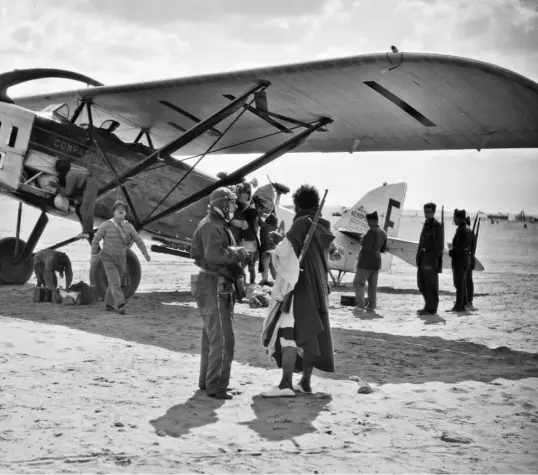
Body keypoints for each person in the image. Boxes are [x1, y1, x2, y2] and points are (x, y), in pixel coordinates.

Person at [261, 184, 337, 397]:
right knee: (311, 334)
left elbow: (286, 254)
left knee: (288, 333)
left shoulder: (302, 223)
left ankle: (286, 384)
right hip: (319, 289)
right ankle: (305, 382)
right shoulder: (324, 226)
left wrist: (278, 242)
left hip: (300, 288)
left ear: (298, 205)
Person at [190, 187, 248, 400]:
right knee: (223, 339)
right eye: (231, 203)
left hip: (213, 284)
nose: (233, 207)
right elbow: (214, 254)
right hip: (216, 285)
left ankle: (208, 382)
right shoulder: (211, 225)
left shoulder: (214, 224)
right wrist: (238, 253)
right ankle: (216, 385)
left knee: (211, 337)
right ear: (223, 204)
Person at [90, 200, 150, 315]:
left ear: (125, 213)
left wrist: (145, 253)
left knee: (115, 281)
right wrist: (93, 255)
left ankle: (108, 304)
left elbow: (138, 240)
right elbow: (95, 240)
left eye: (123, 209)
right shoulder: (106, 225)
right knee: (116, 281)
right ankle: (121, 305)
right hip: (108, 258)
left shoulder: (129, 227)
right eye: (118, 208)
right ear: (114, 212)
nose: (121, 210)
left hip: (121, 258)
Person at [352, 211, 388, 313]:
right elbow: (383, 249)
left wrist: (362, 239)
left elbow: (367, 247)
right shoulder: (383, 233)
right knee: (372, 286)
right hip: (376, 262)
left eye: (368, 221)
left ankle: (360, 306)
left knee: (358, 283)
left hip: (366, 262)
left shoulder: (371, 232)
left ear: (371, 221)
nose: (367, 223)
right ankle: (371, 306)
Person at [54, 159, 98, 240]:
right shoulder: (72, 173)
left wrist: (58, 186)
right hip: (86, 186)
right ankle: (87, 232)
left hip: (89, 185)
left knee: (85, 209)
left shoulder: (70, 175)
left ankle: (88, 233)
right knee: (78, 209)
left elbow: (67, 193)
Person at [416, 202, 444, 315]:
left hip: (430, 260)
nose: (426, 214)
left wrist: (432, 259)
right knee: (421, 284)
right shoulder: (426, 224)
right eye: (425, 211)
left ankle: (431, 309)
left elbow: (439, 246)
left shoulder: (436, 226)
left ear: (433, 212)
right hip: (422, 258)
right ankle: (427, 306)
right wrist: (419, 256)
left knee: (431, 285)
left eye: (429, 212)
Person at [229, 182, 260, 285]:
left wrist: (230, 220)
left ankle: (245, 286)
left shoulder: (248, 210)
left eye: (243, 193)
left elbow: (244, 225)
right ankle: (250, 284)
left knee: (243, 266)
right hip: (249, 242)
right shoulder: (250, 208)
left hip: (248, 242)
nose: (244, 195)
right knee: (249, 267)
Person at [449, 209, 472, 312]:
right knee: (461, 283)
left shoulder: (462, 229)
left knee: (459, 283)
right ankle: (463, 303)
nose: (454, 219)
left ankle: (459, 306)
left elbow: (459, 247)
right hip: (464, 259)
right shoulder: (466, 228)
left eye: (455, 217)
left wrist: (451, 252)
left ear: (459, 218)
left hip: (460, 259)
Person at [258, 211, 278, 286]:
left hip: (265, 249)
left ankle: (265, 280)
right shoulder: (272, 227)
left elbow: (259, 220)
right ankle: (275, 281)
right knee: (272, 266)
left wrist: (258, 212)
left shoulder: (264, 226)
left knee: (265, 268)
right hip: (270, 249)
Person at [465, 216, 477, 311]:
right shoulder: (471, 233)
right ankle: (468, 300)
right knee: (467, 280)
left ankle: (469, 300)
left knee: (467, 281)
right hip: (470, 259)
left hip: (468, 259)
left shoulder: (469, 234)